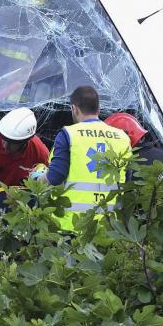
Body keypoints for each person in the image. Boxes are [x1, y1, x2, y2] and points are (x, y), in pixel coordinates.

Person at [38, 86, 132, 230]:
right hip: (110, 226)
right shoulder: (123, 137)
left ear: (74, 108)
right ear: (99, 109)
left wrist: (37, 178)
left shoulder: (68, 134)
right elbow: (128, 183)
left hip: (70, 225)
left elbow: (55, 177)